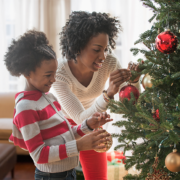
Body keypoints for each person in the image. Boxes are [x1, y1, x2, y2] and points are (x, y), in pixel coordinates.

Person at [4, 30, 113, 180]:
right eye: (48, 75)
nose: (53, 80)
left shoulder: (49, 98)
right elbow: (39, 154)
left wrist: (88, 125)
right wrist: (80, 146)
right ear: (28, 73)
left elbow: (64, 136)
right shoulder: (26, 108)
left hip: (68, 172)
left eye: (54, 74)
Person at [53, 11, 141, 180]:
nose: (103, 56)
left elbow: (129, 106)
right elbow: (80, 118)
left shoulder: (109, 62)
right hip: (61, 124)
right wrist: (108, 94)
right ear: (77, 46)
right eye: (96, 50)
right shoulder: (60, 73)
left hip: (92, 120)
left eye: (106, 49)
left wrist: (134, 81)